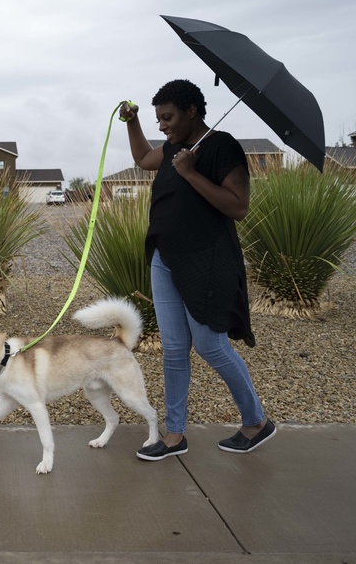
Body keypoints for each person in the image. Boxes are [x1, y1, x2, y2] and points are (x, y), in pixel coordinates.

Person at [119, 79, 275, 461]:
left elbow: (238, 206)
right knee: (173, 349)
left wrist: (190, 172)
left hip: (205, 258)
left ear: (192, 110)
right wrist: (132, 121)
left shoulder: (222, 146)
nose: (163, 126)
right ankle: (174, 435)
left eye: (167, 117)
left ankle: (256, 422)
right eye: (158, 119)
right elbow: (143, 159)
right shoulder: (174, 147)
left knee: (209, 345)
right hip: (165, 257)